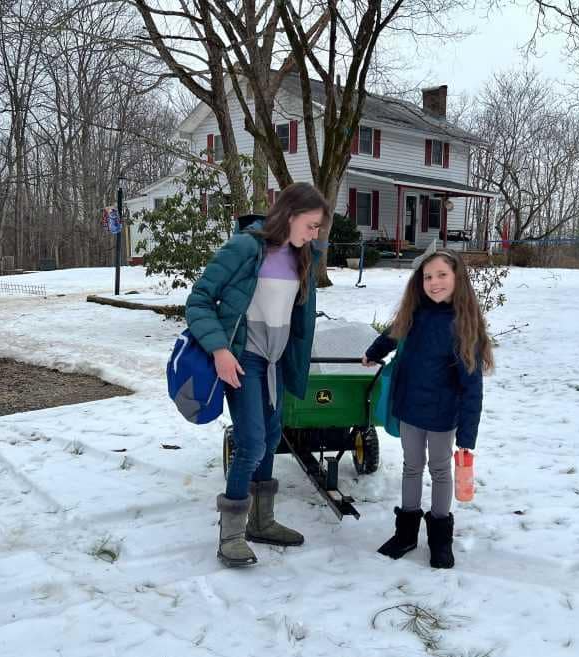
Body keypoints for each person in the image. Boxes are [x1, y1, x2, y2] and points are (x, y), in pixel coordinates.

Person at [186, 183, 331, 568]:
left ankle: (261, 522)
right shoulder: (245, 248)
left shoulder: (302, 256)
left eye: (318, 228)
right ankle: (230, 536)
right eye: (311, 225)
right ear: (290, 214)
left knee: (269, 438)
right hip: (243, 359)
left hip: (275, 361)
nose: (314, 234)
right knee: (251, 442)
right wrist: (219, 350)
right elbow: (199, 300)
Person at [362, 248, 494, 568]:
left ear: (457, 278)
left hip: (441, 415)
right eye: (428, 277)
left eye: (442, 275)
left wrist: (467, 436)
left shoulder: (463, 326)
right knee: (411, 466)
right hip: (409, 406)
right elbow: (392, 334)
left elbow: (472, 387)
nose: (434, 283)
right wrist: (373, 352)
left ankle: (440, 539)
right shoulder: (414, 313)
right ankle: (406, 533)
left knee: (439, 469)